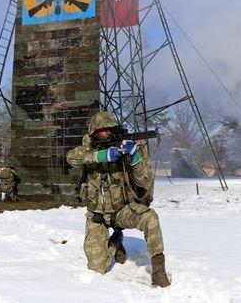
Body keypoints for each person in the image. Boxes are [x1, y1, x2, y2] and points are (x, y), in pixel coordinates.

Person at [66, 111, 170, 287]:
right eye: (101, 130)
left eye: (109, 130)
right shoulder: (88, 148)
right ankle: (115, 242)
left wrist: (135, 158)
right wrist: (100, 156)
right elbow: (71, 158)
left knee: (150, 218)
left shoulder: (130, 148)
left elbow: (144, 181)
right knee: (97, 269)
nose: (106, 133)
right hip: (96, 215)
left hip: (122, 211)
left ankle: (158, 269)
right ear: (93, 133)